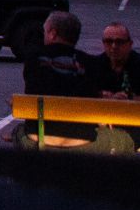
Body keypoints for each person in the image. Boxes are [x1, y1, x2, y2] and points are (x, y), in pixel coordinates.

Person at [20, 11, 101, 142]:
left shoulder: (34, 58)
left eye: (45, 32)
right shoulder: (91, 63)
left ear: (53, 34)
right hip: (82, 137)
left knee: (17, 132)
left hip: (41, 135)